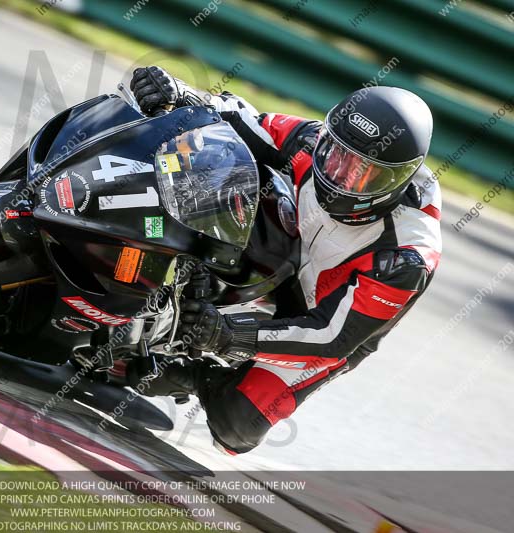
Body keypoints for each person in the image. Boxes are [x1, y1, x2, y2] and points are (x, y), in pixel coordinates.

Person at [126, 66, 443, 455]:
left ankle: (193, 375)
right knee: (223, 165)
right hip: (283, 249)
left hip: (321, 318)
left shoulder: (406, 257)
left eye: (364, 177)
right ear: (328, 137)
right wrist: (179, 94)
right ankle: (162, 275)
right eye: (337, 156)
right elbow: (242, 120)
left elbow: (330, 337)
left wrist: (227, 336)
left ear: (398, 182)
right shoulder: (311, 141)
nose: (341, 178)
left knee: (237, 427)